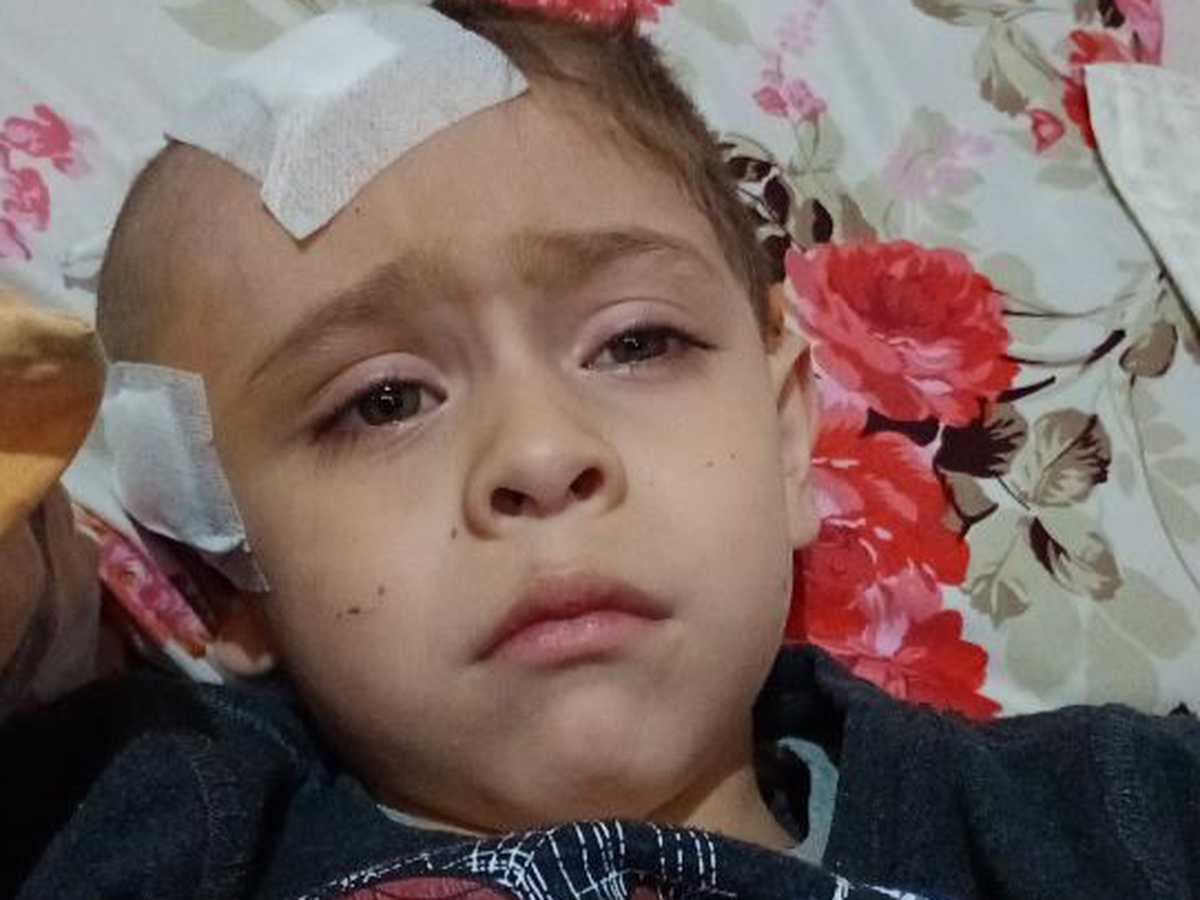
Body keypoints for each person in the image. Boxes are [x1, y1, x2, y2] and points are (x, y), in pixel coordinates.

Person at [2, 3, 1198, 899]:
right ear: (218, 573)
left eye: (636, 343)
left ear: (789, 433)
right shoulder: (169, 822)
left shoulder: (1098, 815)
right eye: (382, 402)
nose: (539, 453)